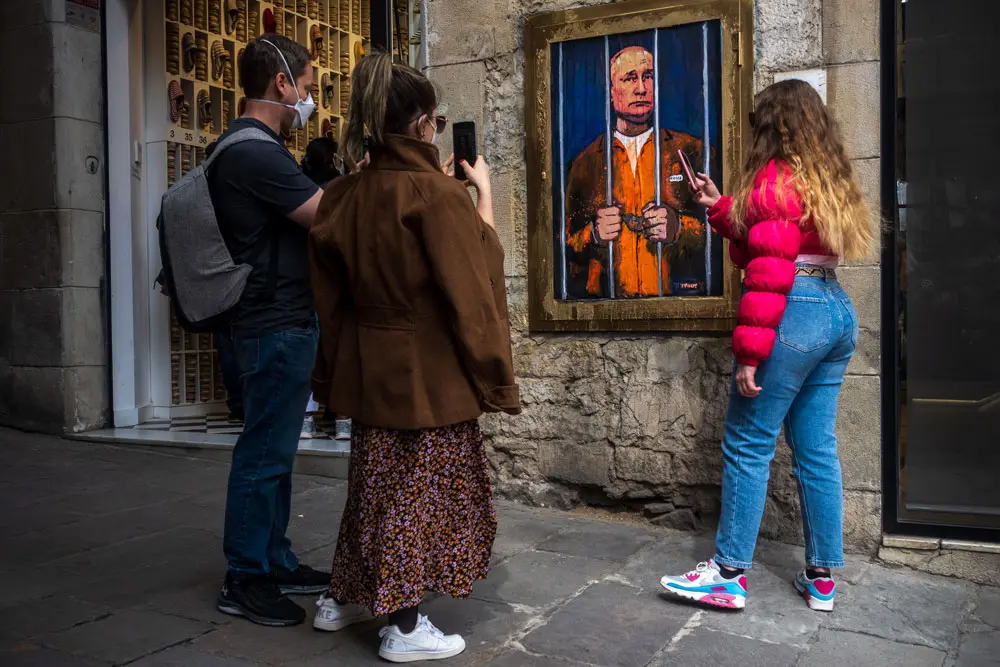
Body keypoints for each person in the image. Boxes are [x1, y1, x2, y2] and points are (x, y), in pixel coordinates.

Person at [307, 53, 520, 662]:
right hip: (427, 373)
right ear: (425, 123)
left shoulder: (341, 196)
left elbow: (327, 301)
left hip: (369, 365)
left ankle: (341, 596)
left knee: (373, 487)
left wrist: (330, 372)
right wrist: (495, 377)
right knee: (413, 499)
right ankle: (402, 628)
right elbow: (473, 293)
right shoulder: (435, 195)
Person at [659, 79, 873, 612]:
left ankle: (728, 574)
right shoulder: (824, 176)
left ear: (771, 126)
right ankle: (822, 578)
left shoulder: (776, 177)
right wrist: (718, 205)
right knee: (817, 449)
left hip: (792, 310)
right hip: (834, 310)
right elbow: (769, 237)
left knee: (748, 442)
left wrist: (752, 355)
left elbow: (771, 268)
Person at [210, 34, 331, 627]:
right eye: (306, 87)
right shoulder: (253, 152)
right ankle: (245, 577)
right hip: (272, 321)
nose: (308, 100)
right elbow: (325, 217)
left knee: (276, 454)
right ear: (282, 84)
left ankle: (273, 557)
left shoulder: (256, 148)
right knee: (262, 454)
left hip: (278, 319)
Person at [565, 45, 707, 298]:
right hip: (606, 312)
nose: (641, 88)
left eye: (648, 76)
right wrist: (593, 234)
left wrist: (678, 228)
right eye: (630, 78)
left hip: (678, 305)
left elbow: (722, 234)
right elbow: (563, 245)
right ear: (610, 91)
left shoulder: (691, 151)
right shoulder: (584, 164)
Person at [298, 137, 351, 441]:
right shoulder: (341, 187)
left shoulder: (300, 186)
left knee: (311, 348)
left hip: (306, 277)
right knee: (339, 346)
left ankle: (305, 419)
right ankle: (343, 419)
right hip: (337, 278)